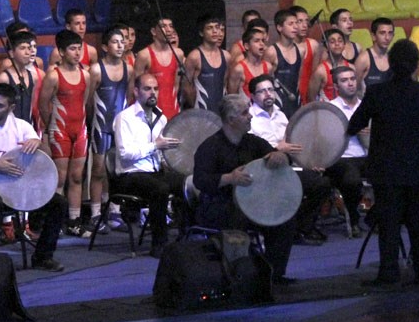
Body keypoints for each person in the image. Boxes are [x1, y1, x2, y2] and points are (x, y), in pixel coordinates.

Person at [346, 39, 419, 287]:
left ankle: (389, 272)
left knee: (389, 225)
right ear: (416, 64)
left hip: (386, 169)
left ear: (390, 63)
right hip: (418, 169)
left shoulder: (377, 92)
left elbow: (354, 124)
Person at [193, 93, 298, 284]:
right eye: (244, 113)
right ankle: (240, 277)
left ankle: (274, 274)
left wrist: (281, 157)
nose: (250, 116)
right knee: (237, 219)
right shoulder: (210, 147)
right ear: (231, 119)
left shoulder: (253, 142)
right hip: (219, 204)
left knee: (284, 220)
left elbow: (279, 156)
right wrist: (229, 178)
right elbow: (200, 180)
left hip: (253, 201)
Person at [0, 83, 66, 270]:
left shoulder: (22, 126)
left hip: (17, 185)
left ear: (11, 108)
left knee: (59, 203)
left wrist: (37, 143)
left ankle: (43, 256)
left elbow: (44, 155)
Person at [246, 74, 332, 244]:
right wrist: (277, 149)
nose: (268, 94)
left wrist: (308, 163)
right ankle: (293, 229)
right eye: (262, 91)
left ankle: (300, 227)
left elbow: (293, 146)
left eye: (270, 90)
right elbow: (251, 153)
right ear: (253, 96)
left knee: (322, 182)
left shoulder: (281, 115)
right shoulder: (249, 118)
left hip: (288, 165)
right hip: (265, 168)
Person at [111, 73, 186, 256]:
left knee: (187, 182)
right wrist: (155, 146)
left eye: (155, 89)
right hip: (129, 175)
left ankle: (186, 236)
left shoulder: (161, 117)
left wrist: (168, 160)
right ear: (136, 91)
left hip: (154, 172)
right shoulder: (125, 118)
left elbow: (161, 152)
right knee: (159, 189)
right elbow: (125, 154)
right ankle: (159, 244)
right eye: (147, 89)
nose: (153, 93)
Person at [39, 30, 92, 236]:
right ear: (61, 52)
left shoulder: (85, 75)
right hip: (60, 130)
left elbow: (84, 102)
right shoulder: (53, 76)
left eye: (79, 49)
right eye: (72, 49)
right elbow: (43, 105)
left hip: (80, 130)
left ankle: (74, 221)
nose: (77, 53)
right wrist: (50, 127)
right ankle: (55, 222)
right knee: (59, 179)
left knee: (77, 177)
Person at [87, 26, 131, 232]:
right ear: (105, 47)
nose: (120, 46)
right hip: (101, 126)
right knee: (98, 170)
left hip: (119, 128)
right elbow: (88, 101)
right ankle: (95, 214)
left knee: (118, 171)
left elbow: (128, 98)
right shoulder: (96, 70)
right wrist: (93, 123)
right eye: (115, 42)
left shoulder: (129, 70)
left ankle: (114, 211)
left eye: (122, 42)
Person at [324, 66, 369, 237]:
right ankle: (354, 218)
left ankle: (375, 217)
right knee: (352, 180)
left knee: (391, 173)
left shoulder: (367, 106)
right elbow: (324, 139)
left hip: (366, 155)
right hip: (341, 158)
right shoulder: (330, 108)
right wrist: (350, 130)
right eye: (344, 80)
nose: (350, 83)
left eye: (352, 79)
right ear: (336, 86)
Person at [134, 18, 184, 119]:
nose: (169, 30)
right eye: (163, 26)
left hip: (172, 109)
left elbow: (176, 85)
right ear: (153, 31)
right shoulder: (144, 55)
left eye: (171, 26)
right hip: (151, 111)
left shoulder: (178, 53)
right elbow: (136, 88)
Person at [0, 30, 44, 130]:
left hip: (27, 127)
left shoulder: (33, 77)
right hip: (8, 129)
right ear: (11, 53)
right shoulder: (4, 78)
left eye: (29, 48)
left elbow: (31, 107)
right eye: (22, 48)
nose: (27, 52)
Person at [183, 14, 228, 110]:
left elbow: (225, 83)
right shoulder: (194, 57)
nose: (215, 31)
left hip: (221, 112)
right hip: (201, 112)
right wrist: (196, 108)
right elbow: (186, 88)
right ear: (201, 33)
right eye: (209, 28)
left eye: (217, 27)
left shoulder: (226, 56)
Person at [269, 8, 306, 117]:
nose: (295, 27)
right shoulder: (271, 52)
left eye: (296, 23)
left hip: (295, 100)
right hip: (277, 103)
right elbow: (266, 80)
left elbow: (298, 78)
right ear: (279, 27)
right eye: (290, 24)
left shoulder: (301, 50)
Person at [225, 23, 271, 97]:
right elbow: (232, 97)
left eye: (263, 40)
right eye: (257, 41)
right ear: (246, 46)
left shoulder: (268, 67)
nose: (262, 44)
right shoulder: (238, 69)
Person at [307, 28, 351, 102]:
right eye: (332, 41)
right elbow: (312, 97)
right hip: (327, 108)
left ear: (344, 45)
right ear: (326, 46)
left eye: (340, 41)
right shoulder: (320, 71)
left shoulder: (351, 67)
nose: (337, 44)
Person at [354, 17, 395, 88]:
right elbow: (353, 89)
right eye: (382, 33)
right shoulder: (363, 60)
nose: (387, 38)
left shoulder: (394, 58)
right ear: (373, 36)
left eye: (390, 33)